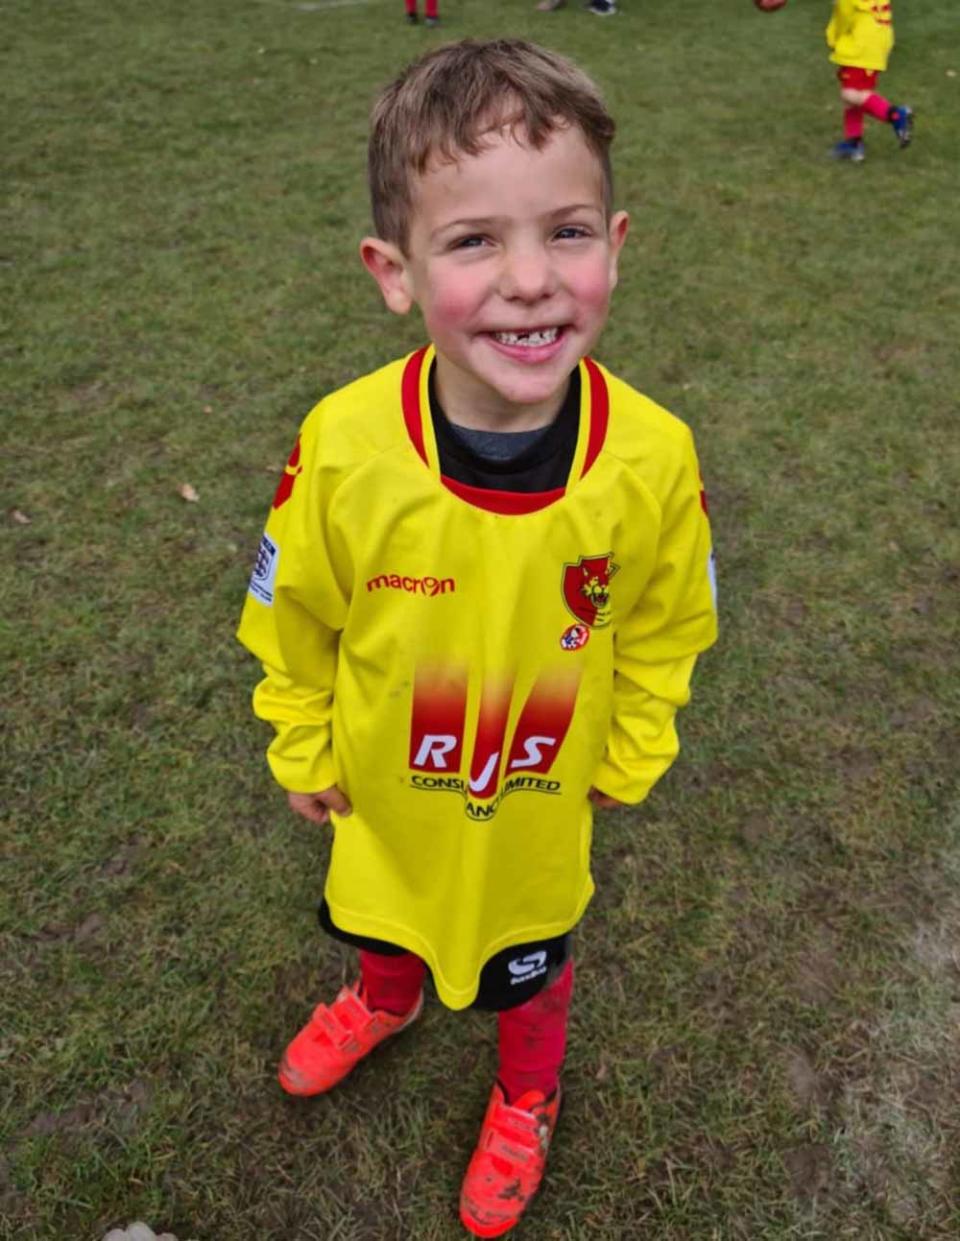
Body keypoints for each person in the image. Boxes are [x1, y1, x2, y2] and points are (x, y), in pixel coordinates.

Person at [237, 38, 716, 1237]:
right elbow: (293, 611)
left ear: (616, 246)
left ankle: (526, 1090)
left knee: (532, 955)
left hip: (539, 801)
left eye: (564, 231)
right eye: (471, 240)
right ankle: (381, 998)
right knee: (384, 907)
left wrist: (634, 744)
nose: (528, 280)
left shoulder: (653, 456)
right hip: (388, 791)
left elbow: (666, 620)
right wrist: (300, 738)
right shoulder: (346, 445)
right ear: (392, 271)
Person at [826, 0, 913, 161]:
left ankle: (896, 115)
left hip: (861, 45)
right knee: (856, 95)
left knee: (850, 94)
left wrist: (833, 38)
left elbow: (844, 15)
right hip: (877, 39)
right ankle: (854, 142)